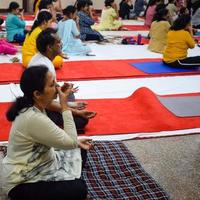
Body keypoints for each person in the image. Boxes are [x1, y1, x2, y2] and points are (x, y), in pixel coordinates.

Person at [3, 65, 92, 200]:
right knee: (79, 188)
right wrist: (64, 106)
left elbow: (67, 141)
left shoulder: (34, 105)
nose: (57, 87)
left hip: (43, 163)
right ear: (37, 94)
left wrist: (76, 142)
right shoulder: (33, 117)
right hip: (21, 182)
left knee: (80, 150)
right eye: (52, 84)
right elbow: (71, 142)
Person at [28, 28, 96, 131]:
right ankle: (55, 127)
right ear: (49, 47)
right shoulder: (45, 68)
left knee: (69, 93)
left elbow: (50, 92)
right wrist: (75, 111)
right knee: (81, 121)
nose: (61, 43)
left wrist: (67, 99)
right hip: (41, 109)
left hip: (43, 101)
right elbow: (47, 103)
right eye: (58, 42)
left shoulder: (41, 58)